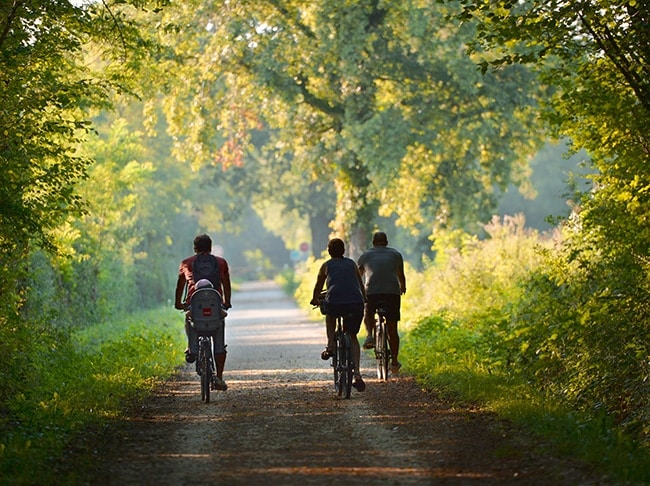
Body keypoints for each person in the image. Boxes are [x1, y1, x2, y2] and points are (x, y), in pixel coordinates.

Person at [175, 234, 232, 390]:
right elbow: (226, 284)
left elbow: (180, 286)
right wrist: (227, 302)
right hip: (216, 308)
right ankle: (219, 378)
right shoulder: (220, 263)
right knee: (219, 341)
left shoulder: (186, 263)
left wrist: (178, 303)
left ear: (195, 248)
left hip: (194, 308)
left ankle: (192, 348)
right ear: (210, 247)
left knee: (190, 319)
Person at [310, 238, 367, 392]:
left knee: (330, 315)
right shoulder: (351, 264)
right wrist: (364, 297)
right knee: (352, 335)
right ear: (343, 251)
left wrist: (315, 299)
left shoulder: (326, 265)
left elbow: (318, 285)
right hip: (355, 303)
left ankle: (330, 346)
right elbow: (360, 284)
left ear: (329, 252)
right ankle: (358, 375)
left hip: (335, 302)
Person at [357, 231, 406, 375]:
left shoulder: (365, 255)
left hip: (372, 292)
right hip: (392, 292)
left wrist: (359, 289)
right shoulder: (396, 254)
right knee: (392, 328)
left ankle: (369, 335)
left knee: (369, 311)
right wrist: (402, 287)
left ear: (373, 242)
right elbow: (400, 275)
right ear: (387, 242)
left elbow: (358, 275)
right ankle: (395, 361)